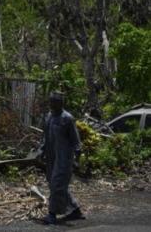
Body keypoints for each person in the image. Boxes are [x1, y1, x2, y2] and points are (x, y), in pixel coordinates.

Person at [41, 91, 84, 225]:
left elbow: (76, 141)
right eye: (51, 101)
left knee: (56, 185)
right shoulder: (48, 116)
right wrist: (41, 150)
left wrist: (78, 159)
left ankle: (52, 215)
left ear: (61, 103)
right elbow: (45, 137)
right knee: (57, 186)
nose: (52, 104)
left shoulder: (67, 118)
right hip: (52, 157)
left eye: (56, 102)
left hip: (64, 159)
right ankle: (76, 210)